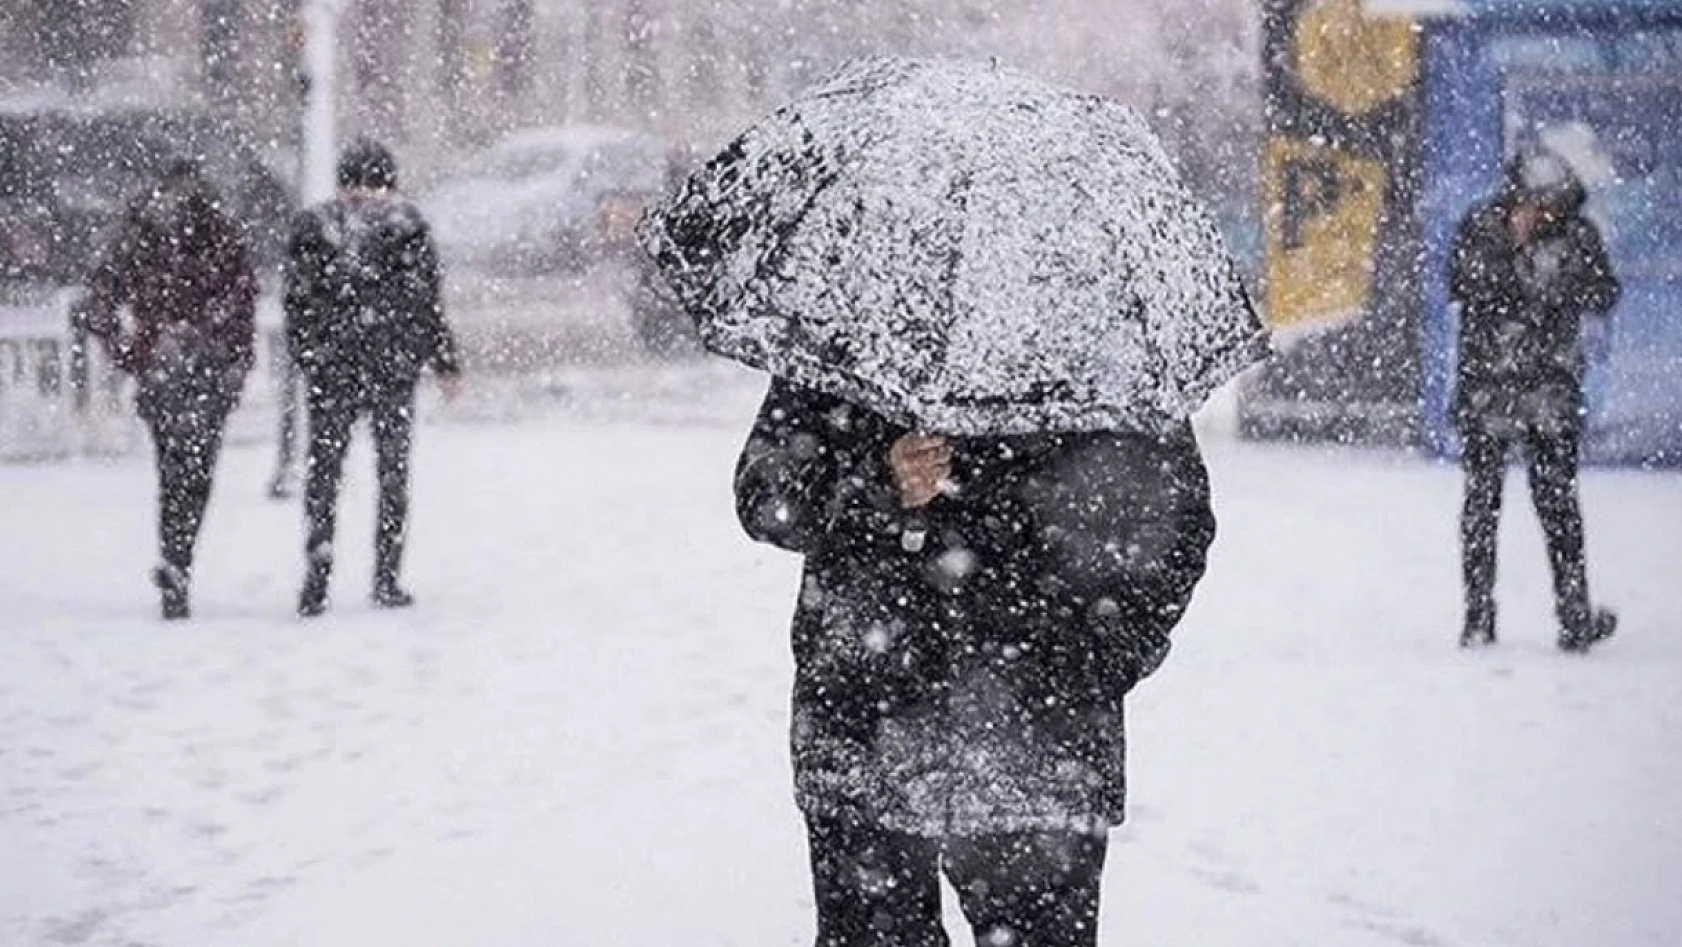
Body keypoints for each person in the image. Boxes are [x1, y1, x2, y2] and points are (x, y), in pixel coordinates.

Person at [735, 379, 1216, 947]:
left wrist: (1094, 663)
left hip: (1040, 746)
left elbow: (1175, 523)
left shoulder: (1097, 346)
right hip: (866, 729)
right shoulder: (850, 329)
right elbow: (767, 500)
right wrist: (878, 480)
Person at [1449, 150, 1620, 652]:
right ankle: (1478, 616)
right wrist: (1514, 249)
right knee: (1482, 505)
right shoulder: (1483, 227)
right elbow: (1464, 285)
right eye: (1537, 204)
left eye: (1554, 207)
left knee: (1559, 507)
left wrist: (1554, 271)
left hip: (1549, 391)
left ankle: (1573, 617)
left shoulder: (1578, 235)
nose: (1545, 214)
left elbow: (1603, 292)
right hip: (1489, 390)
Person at [283, 139, 462, 618]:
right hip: (390, 369)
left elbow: (297, 303)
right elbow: (426, 303)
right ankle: (386, 575)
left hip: (335, 370)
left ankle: (318, 571)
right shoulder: (406, 227)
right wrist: (443, 360)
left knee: (325, 472)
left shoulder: (314, 227)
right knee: (392, 473)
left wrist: (312, 356)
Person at [77, 157, 258, 620]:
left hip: (166, 365)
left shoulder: (141, 233)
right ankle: (180, 558)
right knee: (195, 472)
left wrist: (131, 351)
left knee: (173, 469)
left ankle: (175, 557)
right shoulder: (218, 233)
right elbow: (242, 305)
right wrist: (234, 360)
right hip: (202, 366)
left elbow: (98, 302)